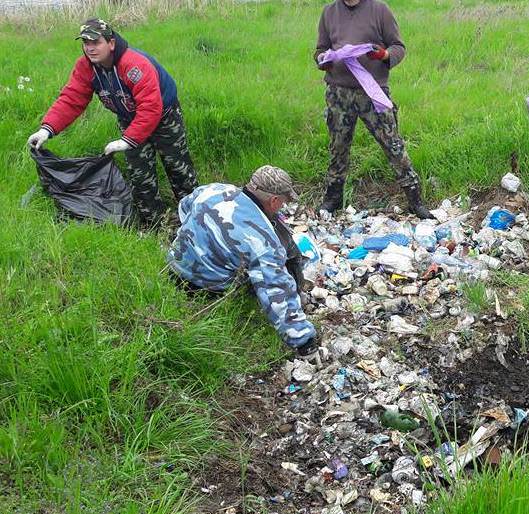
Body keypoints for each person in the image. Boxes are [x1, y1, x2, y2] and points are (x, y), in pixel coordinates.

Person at [27, 18, 198, 228]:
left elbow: (151, 107)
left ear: (111, 43)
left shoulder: (134, 65)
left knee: (178, 167)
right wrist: (47, 129)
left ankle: (195, 214)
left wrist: (128, 140)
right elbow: (72, 99)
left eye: (96, 42)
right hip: (129, 118)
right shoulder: (86, 68)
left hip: (164, 116)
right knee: (139, 174)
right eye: (86, 43)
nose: (90, 48)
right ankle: (158, 223)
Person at [167, 166, 318, 356]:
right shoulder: (263, 241)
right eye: (284, 201)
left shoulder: (214, 189)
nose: (283, 206)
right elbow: (276, 293)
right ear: (274, 200)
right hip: (203, 289)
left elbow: (184, 207)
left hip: (173, 268)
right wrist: (304, 340)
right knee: (267, 277)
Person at [314, 0, 433, 219]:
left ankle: (415, 200)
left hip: (373, 92)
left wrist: (383, 55)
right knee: (337, 147)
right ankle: (333, 198)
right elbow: (320, 49)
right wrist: (323, 59)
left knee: (393, 144)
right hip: (338, 93)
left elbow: (398, 47)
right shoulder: (329, 11)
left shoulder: (380, 9)